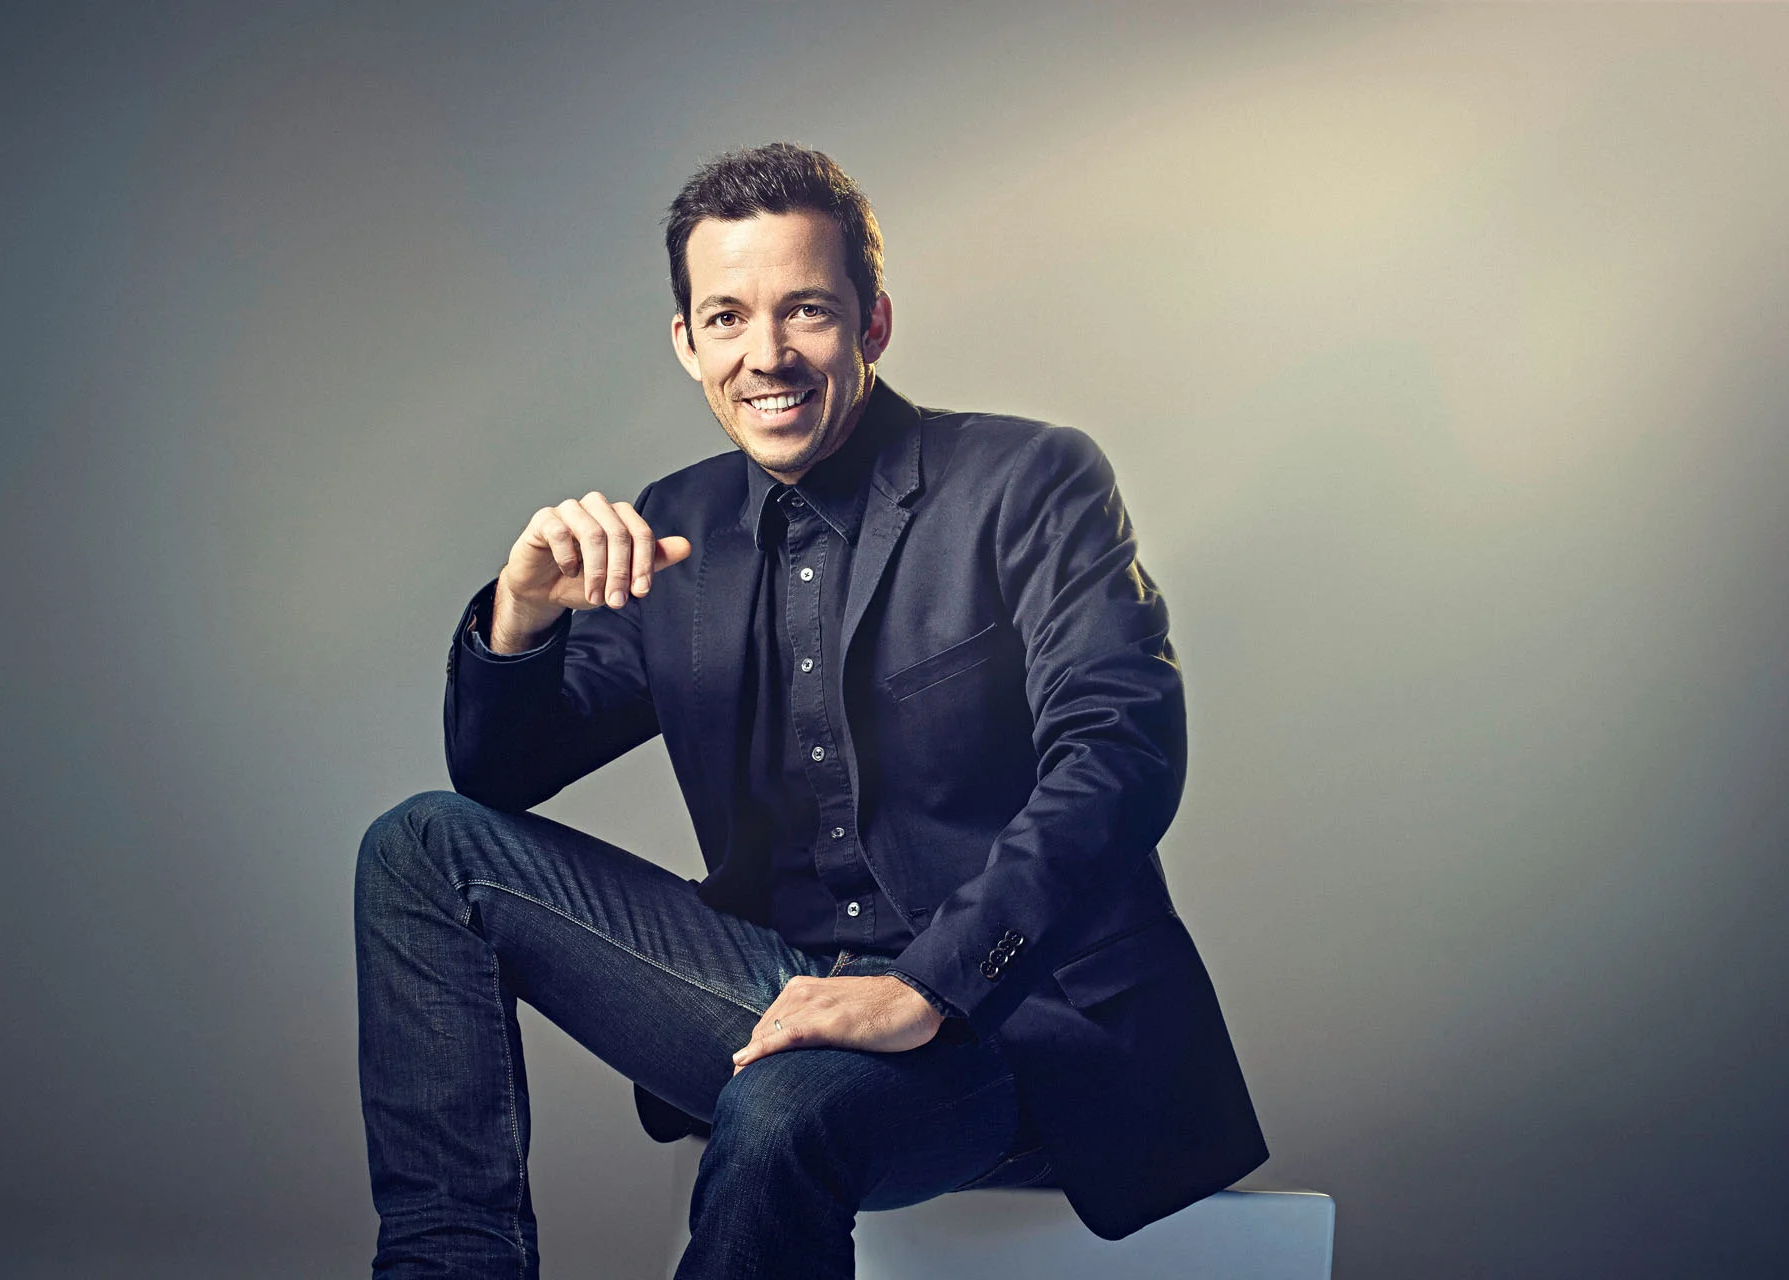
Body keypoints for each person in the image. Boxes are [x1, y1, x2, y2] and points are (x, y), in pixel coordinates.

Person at [355, 142, 1267, 1280]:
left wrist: (928, 986)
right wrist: (522, 614)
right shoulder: (678, 523)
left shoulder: (1028, 479)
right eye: (727, 318)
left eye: (807, 311)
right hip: (776, 989)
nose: (767, 355)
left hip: (1011, 1023)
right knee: (422, 848)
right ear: (687, 342)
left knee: (784, 1111)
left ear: (872, 322)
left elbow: (1120, 754)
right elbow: (500, 776)